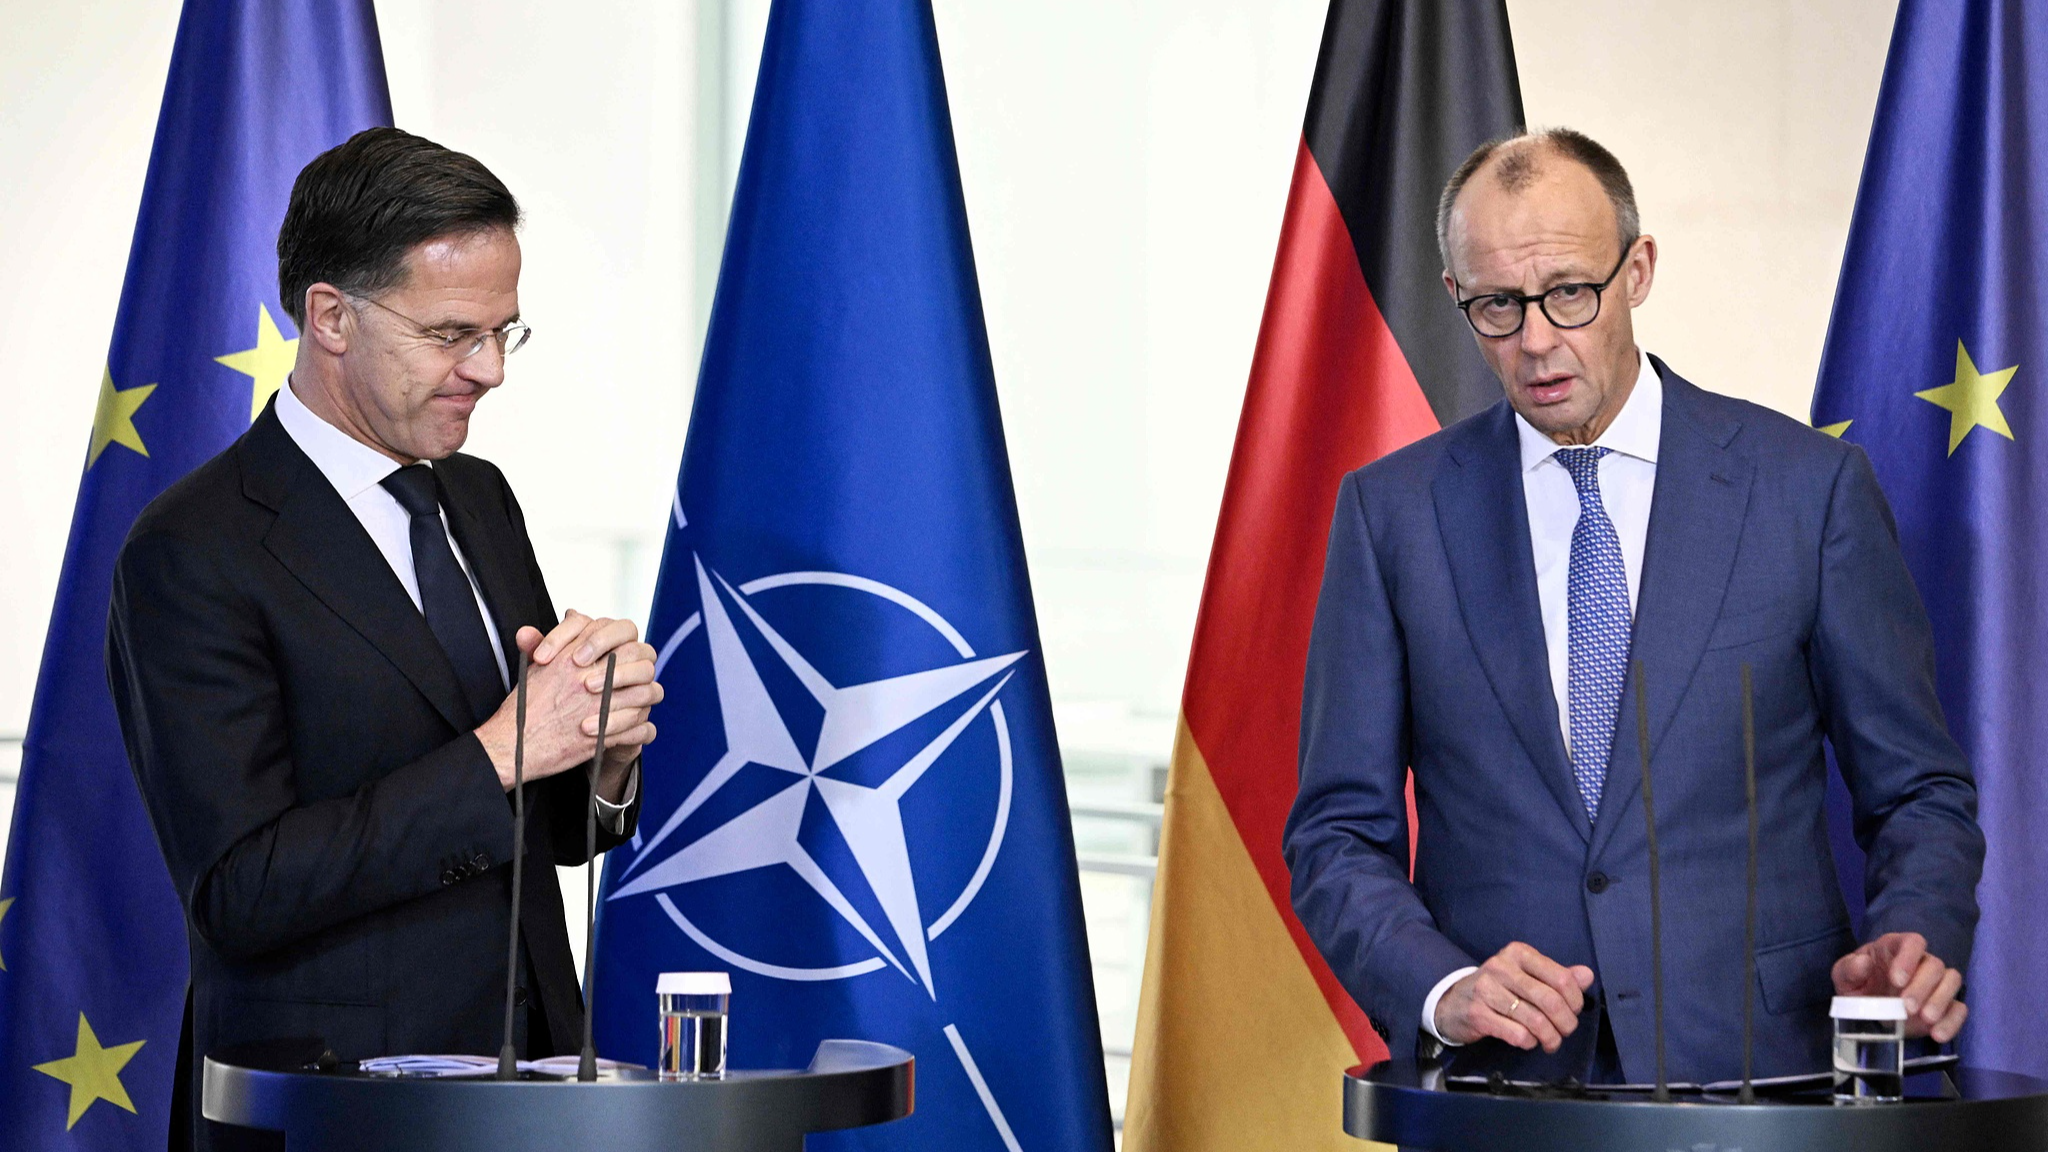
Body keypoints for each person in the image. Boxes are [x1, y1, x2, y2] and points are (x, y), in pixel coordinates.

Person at [1282, 127, 1984, 1084]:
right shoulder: (1391, 514)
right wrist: (1443, 988)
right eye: (1497, 306)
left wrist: (1914, 937)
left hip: (1757, 1078)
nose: (1536, 340)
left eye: (1570, 292)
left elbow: (1916, 790)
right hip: (1502, 1087)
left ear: (1638, 269)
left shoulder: (1808, 492)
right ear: (1456, 296)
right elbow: (1334, 833)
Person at [106, 128, 661, 1149]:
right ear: (330, 317)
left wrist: (600, 752)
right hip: (332, 1104)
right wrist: (504, 749)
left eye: (503, 332)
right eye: (452, 334)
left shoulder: (478, 497)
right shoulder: (194, 547)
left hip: (532, 1087)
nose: (489, 370)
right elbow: (241, 891)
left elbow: (542, 830)